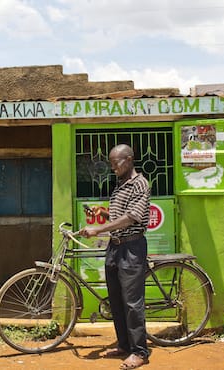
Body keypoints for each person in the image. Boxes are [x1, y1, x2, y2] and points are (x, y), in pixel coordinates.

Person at [79, 144, 151, 369]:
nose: (112, 168)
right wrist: (103, 214)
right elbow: (120, 215)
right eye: (111, 163)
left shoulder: (140, 183)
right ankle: (124, 345)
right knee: (117, 301)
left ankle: (140, 351)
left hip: (131, 248)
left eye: (115, 163)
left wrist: (98, 230)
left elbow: (132, 217)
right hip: (115, 247)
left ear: (128, 160)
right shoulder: (120, 185)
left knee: (132, 302)